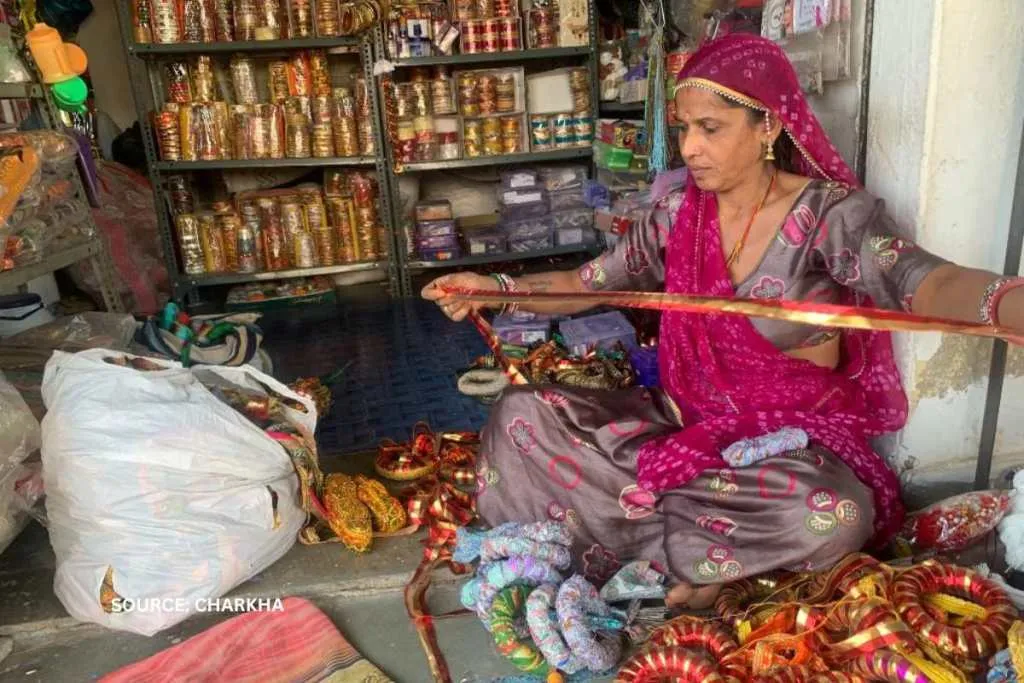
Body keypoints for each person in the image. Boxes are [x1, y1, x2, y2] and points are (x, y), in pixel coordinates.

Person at [422, 33, 1024, 609]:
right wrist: (494, 289)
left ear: (769, 126)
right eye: (685, 129)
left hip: (787, 447)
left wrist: (1006, 302)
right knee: (521, 414)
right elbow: (584, 285)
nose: (689, 149)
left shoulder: (828, 215)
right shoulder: (677, 214)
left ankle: (673, 545)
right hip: (684, 425)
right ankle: (710, 556)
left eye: (710, 129)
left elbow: (924, 280)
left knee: (833, 513)